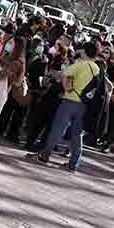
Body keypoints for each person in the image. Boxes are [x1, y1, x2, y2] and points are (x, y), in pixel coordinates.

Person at [26, 41, 101, 172]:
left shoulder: (80, 64)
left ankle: (45, 155)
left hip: (70, 100)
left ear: (84, 51)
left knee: (58, 129)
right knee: (77, 134)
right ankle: (73, 164)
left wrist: (67, 87)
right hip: (84, 104)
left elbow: (65, 75)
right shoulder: (96, 68)